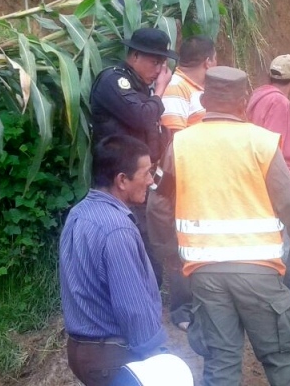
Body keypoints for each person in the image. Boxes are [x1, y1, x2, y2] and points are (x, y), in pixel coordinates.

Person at [152, 66, 290, 386]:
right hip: (258, 272)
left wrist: (170, 255)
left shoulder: (181, 144)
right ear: (244, 101)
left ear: (204, 99)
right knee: (282, 359)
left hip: (204, 273)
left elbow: (158, 206)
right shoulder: (262, 143)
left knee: (221, 362)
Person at [60, 135, 167, 386]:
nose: (151, 181)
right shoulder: (117, 229)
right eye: (146, 173)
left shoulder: (79, 213)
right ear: (121, 180)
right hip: (112, 358)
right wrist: (156, 356)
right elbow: (132, 306)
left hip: (80, 350)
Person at [90, 27, 177, 285]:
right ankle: (136, 297)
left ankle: (148, 295)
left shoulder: (140, 88)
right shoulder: (115, 80)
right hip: (118, 179)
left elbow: (152, 131)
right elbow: (141, 115)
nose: (160, 69)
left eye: (163, 63)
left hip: (140, 178)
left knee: (145, 240)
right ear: (135, 56)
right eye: (155, 61)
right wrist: (160, 90)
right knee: (128, 239)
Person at [158, 35, 217, 331]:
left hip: (203, 179)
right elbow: (176, 141)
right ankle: (181, 310)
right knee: (181, 245)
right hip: (183, 181)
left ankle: (198, 303)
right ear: (208, 61)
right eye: (214, 59)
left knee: (200, 244)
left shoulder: (200, 88)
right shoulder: (177, 88)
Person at [246, 53, 290, 305]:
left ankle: (285, 305)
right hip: (277, 189)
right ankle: (285, 309)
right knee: (285, 256)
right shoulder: (279, 104)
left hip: (258, 185)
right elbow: (276, 151)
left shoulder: (257, 97)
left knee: (283, 253)